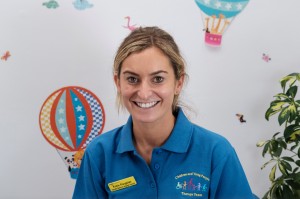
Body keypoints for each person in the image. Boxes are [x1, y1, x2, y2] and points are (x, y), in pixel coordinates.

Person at [73, 26, 254, 199]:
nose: (144, 93)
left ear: (178, 83)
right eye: (132, 79)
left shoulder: (216, 152)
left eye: (158, 79)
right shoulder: (98, 154)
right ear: (118, 83)